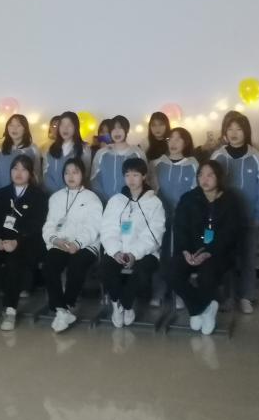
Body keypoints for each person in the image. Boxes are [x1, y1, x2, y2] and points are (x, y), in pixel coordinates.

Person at [167, 160, 242, 335]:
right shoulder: (189, 198)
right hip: (190, 251)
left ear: (219, 177)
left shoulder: (230, 200)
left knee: (207, 274)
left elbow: (230, 233)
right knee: (171, 272)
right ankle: (201, 308)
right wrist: (186, 251)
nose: (204, 179)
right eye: (201, 175)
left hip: (219, 253)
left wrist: (208, 252)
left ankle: (200, 309)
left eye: (210, 175)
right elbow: (180, 228)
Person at [0, 155, 48, 331]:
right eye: (15, 168)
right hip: (1, 240)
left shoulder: (38, 196)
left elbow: (37, 224)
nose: (19, 173)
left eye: (24, 169)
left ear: (31, 173)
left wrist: (17, 240)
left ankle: (10, 310)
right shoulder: (1, 194)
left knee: (15, 262)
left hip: (26, 242)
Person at [210, 112, 259, 314]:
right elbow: (209, 187)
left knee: (247, 259)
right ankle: (227, 298)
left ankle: (246, 297)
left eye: (239, 129)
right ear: (225, 132)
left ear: (246, 132)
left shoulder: (256, 157)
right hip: (223, 220)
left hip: (249, 219)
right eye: (230, 129)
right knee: (226, 259)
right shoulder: (218, 156)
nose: (234, 133)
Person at [99, 157, 165, 328]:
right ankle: (116, 304)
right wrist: (115, 251)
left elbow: (154, 233)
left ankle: (127, 304)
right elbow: (108, 229)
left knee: (142, 272)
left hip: (145, 252)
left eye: (135, 175)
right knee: (106, 267)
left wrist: (134, 253)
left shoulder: (154, 202)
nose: (131, 179)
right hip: (117, 250)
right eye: (127, 175)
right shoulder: (116, 200)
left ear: (144, 176)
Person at [42, 158, 103, 333]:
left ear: (83, 175)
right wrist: (55, 240)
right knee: (49, 264)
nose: (70, 176)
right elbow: (49, 224)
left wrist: (77, 243)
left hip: (85, 244)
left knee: (77, 263)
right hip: (60, 242)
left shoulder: (92, 198)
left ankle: (66, 305)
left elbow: (94, 226)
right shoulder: (56, 198)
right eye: (67, 172)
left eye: (75, 172)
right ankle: (61, 310)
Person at [152, 128, 199, 271]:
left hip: (184, 218)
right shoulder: (156, 164)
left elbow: (196, 192)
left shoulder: (193, 165)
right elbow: (153, 191)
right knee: (162, 251)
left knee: (181, 252)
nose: (173, 142)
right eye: (170, 139)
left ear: (186, 142)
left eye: (178, 139)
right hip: (161, 216)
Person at [91, 115, 146, 203]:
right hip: (105, 205)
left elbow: (145, 179)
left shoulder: (137, 153)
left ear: (127, 130)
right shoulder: (102, 154)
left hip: (132, 204)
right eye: (113, 128)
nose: (117, 132)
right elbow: (94, 180)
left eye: (120, 128)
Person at [0, 114, 42, 193]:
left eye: (18, 125)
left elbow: (37, 175)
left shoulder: (33, 149)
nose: (14, 129)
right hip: (2, 194)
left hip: (26, 195)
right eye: (11, 125)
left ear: (25, 129)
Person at [44, 111, 92, 194]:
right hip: (52, 194)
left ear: (76, 128)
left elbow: (86, 175)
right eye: (62, 125)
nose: (65, 128)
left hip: (75, 195)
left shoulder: (84, 149)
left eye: (69, 125)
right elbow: (46, 173)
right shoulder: (51, 148)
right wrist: (56, 193)